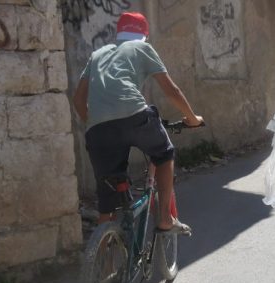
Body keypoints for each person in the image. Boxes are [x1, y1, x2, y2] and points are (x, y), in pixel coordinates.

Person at [73, 12, 203, 233]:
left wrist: (96, 122)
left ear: (119, 34)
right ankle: (164, 219)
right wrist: (191, 118)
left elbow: (78, 100)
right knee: (164, 154)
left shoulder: (97, 55)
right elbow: (171, 90)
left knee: (107, 197)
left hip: (98, 130)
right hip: (134, 115)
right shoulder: (142, 48)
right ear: (144, 35)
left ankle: (104, 255)